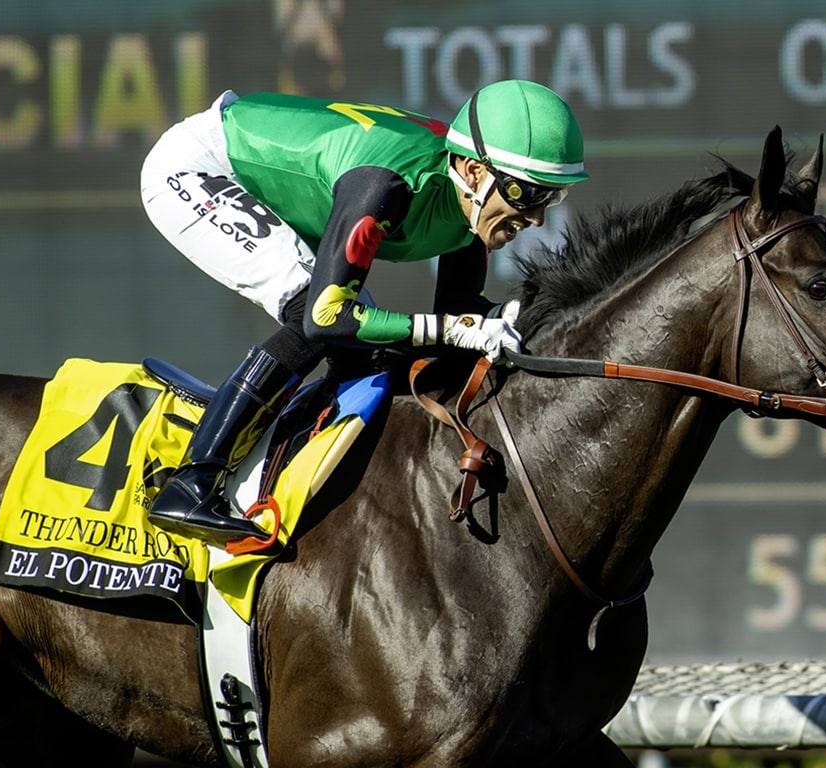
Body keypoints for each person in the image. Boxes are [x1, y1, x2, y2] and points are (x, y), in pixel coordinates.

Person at [139, 79, 588, 544]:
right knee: (313, 320)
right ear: (474, 172)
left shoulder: (472, 202)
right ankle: (192, 481)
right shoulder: (387, 184)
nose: (536, 218)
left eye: (551, 197)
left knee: (373, 356)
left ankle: (289, 488)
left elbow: (458, 312)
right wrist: (458, 328)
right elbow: (325, 316)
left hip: (283, 181)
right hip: (199, 169)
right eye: (526, 193)